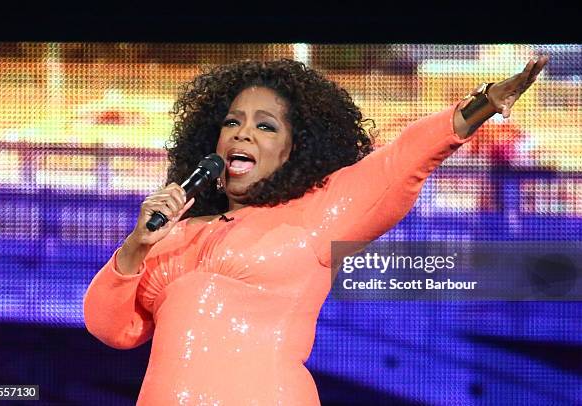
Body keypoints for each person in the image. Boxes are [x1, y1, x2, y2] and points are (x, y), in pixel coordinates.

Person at [83, 56, 548, 405]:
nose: (242, 134)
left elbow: (404, 157)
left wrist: (484, 103)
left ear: (294, 150)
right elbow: (112, 329)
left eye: (265, 127)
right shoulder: (173, 235)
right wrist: (136, 246)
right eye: (232, 122)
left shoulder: (320, 212)